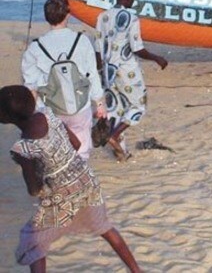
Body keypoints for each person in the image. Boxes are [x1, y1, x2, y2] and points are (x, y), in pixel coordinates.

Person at [0, 85, 141, 272]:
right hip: (86, 180)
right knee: (104, 227)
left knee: (33, 241)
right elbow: (75, 144)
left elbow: (34, 190)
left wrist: (35, 168)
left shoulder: (22, 148)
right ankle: (136, 270)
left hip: (61, 197)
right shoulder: (47, 114)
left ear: (6, 118)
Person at [21, 0, 106, 161]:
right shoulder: (82, 41)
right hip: (80, 107)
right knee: (82, 150)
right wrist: (100, 104)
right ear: (68, 14)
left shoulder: (35, 47)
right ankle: (79, 179)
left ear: (47, 17)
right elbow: (92, 74)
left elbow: (30, 86)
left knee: (55, 151)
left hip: (50, 109)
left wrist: (34, 113)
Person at [95, 0, 168, 161]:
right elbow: (136, 48)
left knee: (116, 109)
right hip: (127, 69)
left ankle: (121, 152)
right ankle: (113, 135)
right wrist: (157, 58)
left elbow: (98, 47)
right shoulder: (132, 18)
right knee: (138, 106)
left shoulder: (102, 16)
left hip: (107, 70)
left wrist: (99, 70)